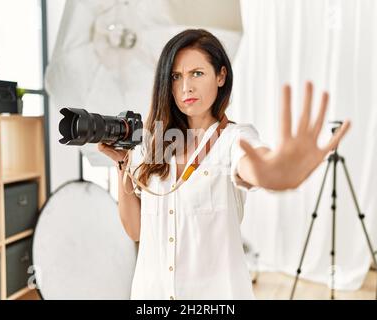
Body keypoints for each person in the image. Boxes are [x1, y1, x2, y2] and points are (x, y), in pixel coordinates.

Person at [98, 29, 350, 300]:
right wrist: (124, 167)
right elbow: (135, 230)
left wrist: (276, 172)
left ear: (220, 76)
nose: (186, 88)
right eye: (176, 76)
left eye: (197, 73)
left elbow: (256, 165)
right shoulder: (151, 144)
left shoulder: (235, 139)